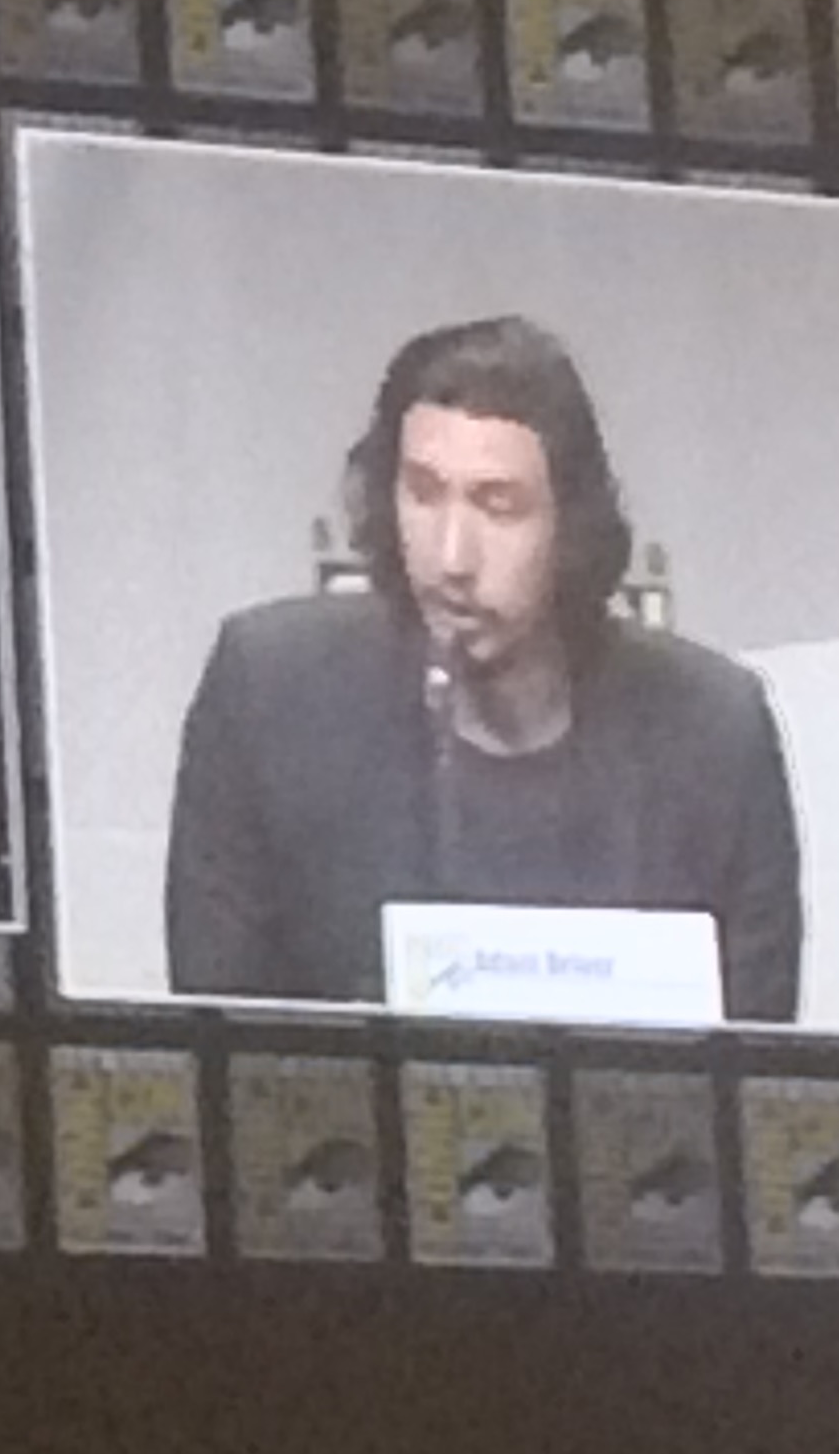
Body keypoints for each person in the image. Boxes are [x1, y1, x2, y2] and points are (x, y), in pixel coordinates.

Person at [163, 314, 802, 1017]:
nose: (452, 558)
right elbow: (221, 1040)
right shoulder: (269, 697)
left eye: (499, 508)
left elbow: (754, 1054)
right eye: (422, 494)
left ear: (571, 526)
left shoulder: (713, 735)